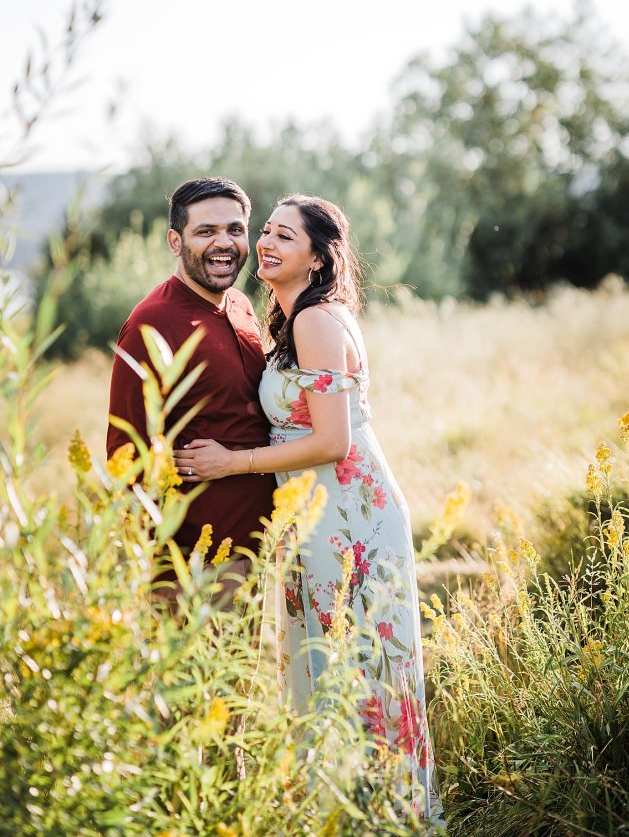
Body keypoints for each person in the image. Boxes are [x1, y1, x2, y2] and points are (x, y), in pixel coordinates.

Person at [174, 194, 441, 820]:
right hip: (317, 511)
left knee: (355, 661)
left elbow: (332, 440)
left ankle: (377, 817)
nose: (264, 242)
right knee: (334, 657)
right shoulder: (295, 319)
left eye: (284, 236)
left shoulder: (316, 323)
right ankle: (346, 810)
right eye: (265, 230)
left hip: (346, 512)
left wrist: (229, 462)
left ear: (319, 258)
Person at [107, 177, 275, 573]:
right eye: (205, 231)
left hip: (256, 543)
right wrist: (148, 565)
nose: (223, 243)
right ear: (175, 242)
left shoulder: (239, 304)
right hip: (191, 559)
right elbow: (125, 449)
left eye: (235, 229)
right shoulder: (151, 322)